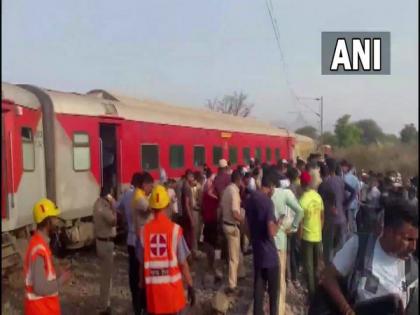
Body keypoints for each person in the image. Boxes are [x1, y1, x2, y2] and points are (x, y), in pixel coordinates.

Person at [319, 200, 418, 315]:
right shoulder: (360, 246)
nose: (413, 247)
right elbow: (327, 277)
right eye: (408, 239)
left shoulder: (413, 271)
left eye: (416, 240)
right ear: (389, 232)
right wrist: (346, 310)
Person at [137, 185, 196, 315]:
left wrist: (141, 288)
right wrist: (190, 285)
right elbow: (183, 263)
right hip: (173, 297)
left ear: (152, 208)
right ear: (168, 205)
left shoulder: (144, 232)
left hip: (153, 297)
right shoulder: (174, 230)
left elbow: (142, 264)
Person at [24, 198, 71, 315]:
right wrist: (61, 280)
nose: (57, 221)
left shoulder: (39, 243)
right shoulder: (38, 249)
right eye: (54, 218)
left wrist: (56, 271)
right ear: (48, 221)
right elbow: (40, 288)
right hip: (41, 310)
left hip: (44, 308)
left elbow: (43, 274)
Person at [245, 173, 280, 315]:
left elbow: (245, 225)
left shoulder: (250, 199)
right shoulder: (267, 202)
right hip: (270, 257)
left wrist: (253, 239)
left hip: (258, 253)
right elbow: (271, 231)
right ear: (270, 186)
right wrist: (279, 224)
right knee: (273, 295)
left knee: (258, 293)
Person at [271, 170, 304, 315]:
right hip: (283, 236)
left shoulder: (267, 196)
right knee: (282, 274)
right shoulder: (289, 195)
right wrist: (295, 227)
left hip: (268, 241)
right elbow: (299, 212)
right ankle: (279, 310)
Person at [115, 172, 144, 315]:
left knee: (133, 275)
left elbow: (118, 208)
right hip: (141, 240)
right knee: (142, 274)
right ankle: (144, 303)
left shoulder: (126, 195)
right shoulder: (142, 198)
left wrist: (126, 220)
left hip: (130, 240)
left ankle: (136, 306)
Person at [319, 158, 355, 263]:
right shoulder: (341, 181)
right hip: (342, 218)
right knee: (340, 247)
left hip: (330, 220)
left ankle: (328, 271)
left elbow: (320, 203)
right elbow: (353, 192)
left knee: (328, 248)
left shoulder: (324, 184)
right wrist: (345, 205)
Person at [299, 171, 324, 300]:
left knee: (308, 268)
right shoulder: (318, 196)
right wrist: (319, 230)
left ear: (303, 183)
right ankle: (318, 292)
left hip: (307, 238)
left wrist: (299, 238)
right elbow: (322, 217)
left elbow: (300, 223)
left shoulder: (302, 200)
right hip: (318, 236)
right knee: (316, 266)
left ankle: (312, 296)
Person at [220, 170, 245, 294]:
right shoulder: (234, 192)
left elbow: (221, 208)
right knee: (233, 258)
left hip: (225, 223)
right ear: (238, 180)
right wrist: (244, 220)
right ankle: (232, 285)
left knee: (237, 252)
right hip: (232, 226)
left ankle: (240, 273)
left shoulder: (226, 190)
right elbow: (235, 213)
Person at [93, 185, 117, 315]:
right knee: (106, 278)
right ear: (108, 194)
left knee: (106, 276)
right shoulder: (104, 206)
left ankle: (105, 303)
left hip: (100, 242)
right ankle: (104, 306)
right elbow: (113, 221)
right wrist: (114, 205)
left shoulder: (97, 204)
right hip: (106, 243)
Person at [202, 168, 221, 279]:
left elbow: (202, 208)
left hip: (207, 221)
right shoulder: (215, 199)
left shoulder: (205, 196)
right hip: (213, 222)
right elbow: (218, 211)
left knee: (207, 243)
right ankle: (213, 267)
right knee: (214, 245)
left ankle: (209, 265)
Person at [341, 160, 360, 234]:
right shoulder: (355, 178)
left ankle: (347, 236)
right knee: (352, 221)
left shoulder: (344, 178)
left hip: (347, 202)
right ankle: (353, 235)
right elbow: (358, 191)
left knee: (347, 222)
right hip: (354, 202)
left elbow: (344, 191)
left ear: (346, 168)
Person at [181, 169, 196, 251]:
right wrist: (191, 219)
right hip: (187, 215)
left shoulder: (185, 185)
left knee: (188, 236)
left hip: (186, 214)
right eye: (192, 177)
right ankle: (189, 255)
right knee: (189, 237)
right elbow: (187, 204)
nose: (193, 179)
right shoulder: (187, 187)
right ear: (189, 176)